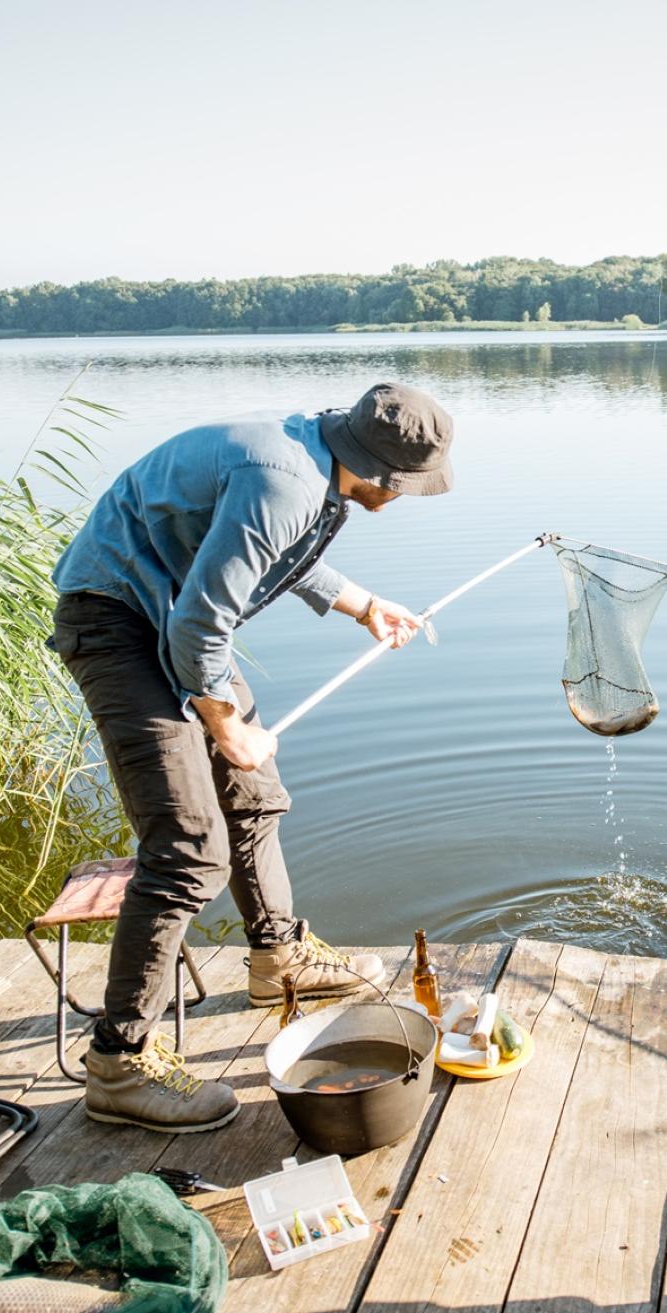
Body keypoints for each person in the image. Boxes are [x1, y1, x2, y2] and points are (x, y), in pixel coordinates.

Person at [51, 381, 454, 1133]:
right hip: (122, 620)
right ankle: (117, 1062)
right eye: (406, 486)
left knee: (255, 796)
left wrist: (362, 602)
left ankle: (277, 960)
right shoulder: (285, 482)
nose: (406, 497)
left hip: (169, 614)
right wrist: (226, 727)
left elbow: (273, 554)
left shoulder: (313, 458)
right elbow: (200, 626)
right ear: (380, 471)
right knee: (187, 850)